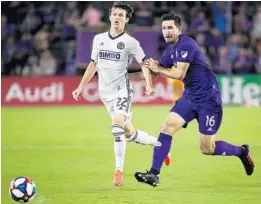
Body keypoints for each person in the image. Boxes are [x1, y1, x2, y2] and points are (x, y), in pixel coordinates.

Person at [134, 13, 255, 187]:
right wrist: (142, 69)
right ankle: (154, 174)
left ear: (179, 29)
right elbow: (156, 70)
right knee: (167, 127)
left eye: (170, 28)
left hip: (208, 99)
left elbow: (178, 74)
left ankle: (241, 151)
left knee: (207, 148)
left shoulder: (186, 44)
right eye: (164, 28)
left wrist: (157, 68)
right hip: (190, 97)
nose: (167, 32)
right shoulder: (170, 50)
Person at [72, 2, 170, 187]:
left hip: (122, 91)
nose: (117, 17)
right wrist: (80, 87)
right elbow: (93, 65)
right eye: (115, 14)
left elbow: (144, 64)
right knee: (129, 133)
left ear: (126, 20)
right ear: (110, 16)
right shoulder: (99, 39)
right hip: (105, 94)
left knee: (116, 124)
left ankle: (118, 172)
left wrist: (149, 84)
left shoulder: (130, 43)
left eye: (121, 15)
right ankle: (160, 146)